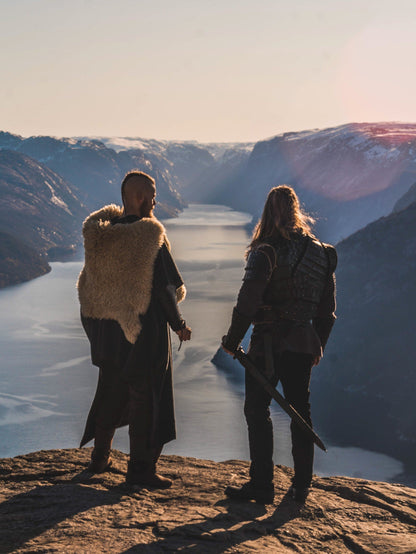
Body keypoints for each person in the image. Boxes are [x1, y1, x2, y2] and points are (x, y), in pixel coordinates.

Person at [221, 185, 337, 504]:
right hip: (302, 345)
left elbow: (247, 302)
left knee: (257, 410)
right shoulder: (323, 253)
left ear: (268, 212)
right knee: (301, 409)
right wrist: (318, 345)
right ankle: (301, 486)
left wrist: (232, 341)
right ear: (296, 210)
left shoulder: (266, 251)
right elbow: (327, 312)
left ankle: (262, 485)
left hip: (267, 345)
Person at [77, 170, 191, 489]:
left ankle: (100, 458)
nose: (156, 201)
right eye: (153, 195)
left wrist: (101, 328)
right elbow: (165, 290)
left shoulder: (103, 236)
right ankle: (140, 471)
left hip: (111, 332)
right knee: (146, 398)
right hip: (143, 334)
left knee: (111, 389)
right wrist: (179, 325)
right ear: (140, 197)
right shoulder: (148, 236)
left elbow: (88, 286)